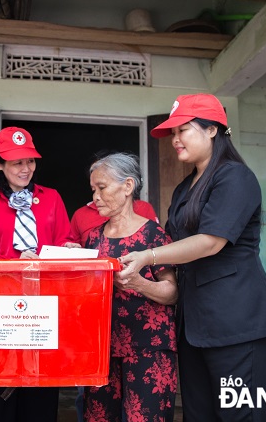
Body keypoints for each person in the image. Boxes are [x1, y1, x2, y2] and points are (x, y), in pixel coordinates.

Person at [119, 94, 266, 422]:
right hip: (194, 324)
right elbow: (170, 240)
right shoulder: (184, 189)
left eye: (183, 130)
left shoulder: (235, 176)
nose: (176, 140)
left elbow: (210, 242)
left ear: (212, 130)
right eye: (173, 134)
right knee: (198, 415)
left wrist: (148, 256)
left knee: (240, 415)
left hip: (237, 323)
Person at [0, 126, 80, 422]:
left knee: (41, 384)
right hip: (2, 305)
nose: (25, 169)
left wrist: (67, 248)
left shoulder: (52, 199)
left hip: (45, 304)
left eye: (30, 161)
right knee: (0, 383)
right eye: (17, 162)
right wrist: (17, 260)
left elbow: (62, 242)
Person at [83, 152, 178, 422]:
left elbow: (172, 292)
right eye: (93, 190)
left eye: (102, 188)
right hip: (102, 351)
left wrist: (138, 283)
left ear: (127, 187)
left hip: (149, 348)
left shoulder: (154, 235)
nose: (95, 197)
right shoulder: (92, 239)